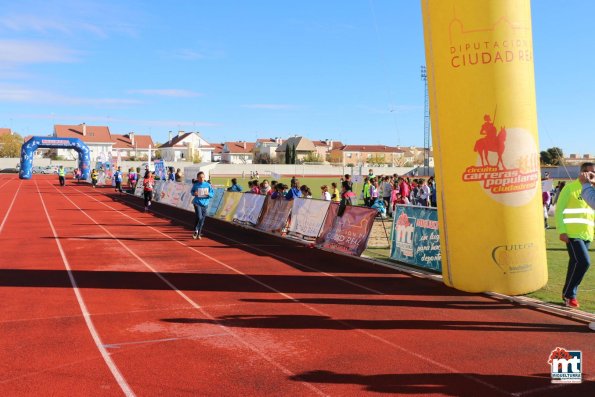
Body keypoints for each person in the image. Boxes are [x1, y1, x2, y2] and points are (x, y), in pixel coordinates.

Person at [555, 162, 595, 308]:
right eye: (590, 172)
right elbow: (559, 210)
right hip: (572, 234)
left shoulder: (592, 189)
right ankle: (569, 294)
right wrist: (562, 230)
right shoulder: (570, 188)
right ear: (582, 172)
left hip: (587, 234)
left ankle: (567, 294)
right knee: (584, 262)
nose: (593, 175)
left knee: (575, 264)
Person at [190, 171, 214, 239]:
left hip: (205, 204)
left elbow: (212, 194)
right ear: (197, 178)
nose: (202, 179)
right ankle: (196, 231)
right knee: (199, 217)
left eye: (203, 177)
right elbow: (192, 192)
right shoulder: (196, 185)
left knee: (202, 220)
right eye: (200, 177)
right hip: (197, 203)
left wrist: (208, 194)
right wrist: (194, 193)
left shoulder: (208, 185)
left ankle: (198, 233)